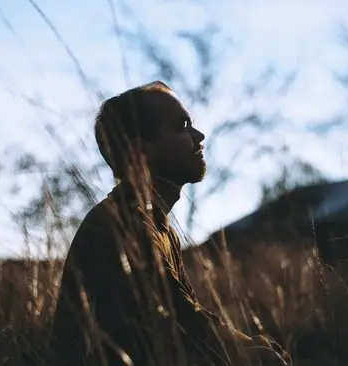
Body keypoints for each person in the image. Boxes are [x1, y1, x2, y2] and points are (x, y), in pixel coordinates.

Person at [48, 81, 291, 365]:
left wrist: (249, 346)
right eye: (183, 126)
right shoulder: (123, 225)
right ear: (140, 152)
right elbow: (178, 319)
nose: (198, 136)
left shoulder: (158, 226)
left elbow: (186, 314)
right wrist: (246, 351)